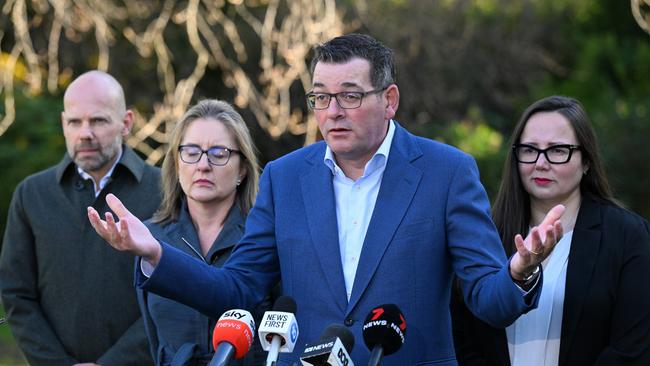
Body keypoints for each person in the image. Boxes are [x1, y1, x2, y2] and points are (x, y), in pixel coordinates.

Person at [88, 34, 564, 365]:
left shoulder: (447, 172)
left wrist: (520, 273)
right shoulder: (285, 177)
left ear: (390, 99)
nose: (332, 112)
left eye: (350, 96)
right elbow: (238, 291)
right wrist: (154, 253)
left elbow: (489, 300)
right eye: (320, 97)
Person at [450, 96, 650, 365]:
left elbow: (632, 348)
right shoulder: (485, 235)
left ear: (587, 161)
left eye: (557, 150)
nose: (541, 163)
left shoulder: (628, 236)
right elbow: (461, 339)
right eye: (530, 150)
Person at [0, 70, 161, 365]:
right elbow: (16, 295)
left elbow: (171, 294)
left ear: (126, 123)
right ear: (64, 124)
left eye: (98, 120)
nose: (85, 133)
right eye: (75, 121)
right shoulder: (32, 195)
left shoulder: (164, 192)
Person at [136, 99, 272, 365]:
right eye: (191, 151)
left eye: (219, 153)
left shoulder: (264, 237)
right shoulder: (150, 238)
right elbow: (155, 342)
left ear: (242, 170)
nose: (203, 165)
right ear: (176, 164)